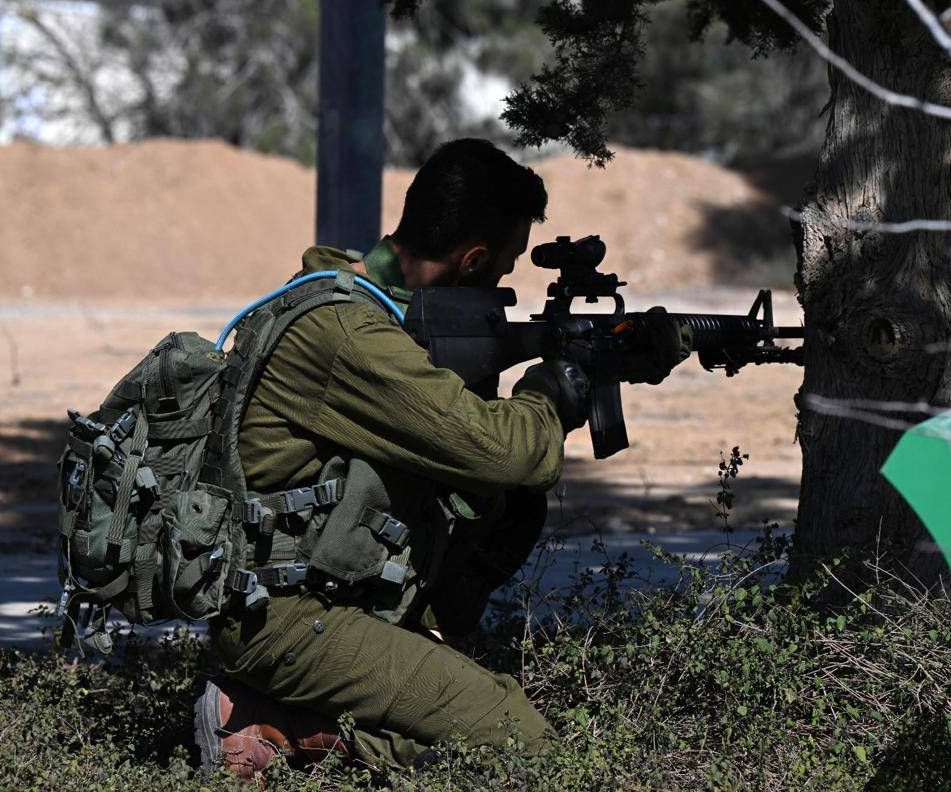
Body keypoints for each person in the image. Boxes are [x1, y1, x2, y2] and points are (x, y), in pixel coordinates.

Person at [193, 138, 690, 780]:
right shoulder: (348, 336)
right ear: (473, 259)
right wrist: (554, 386)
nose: (503, 289)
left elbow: (469, 445)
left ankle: (419, 657)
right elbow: (505, 454)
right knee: (519, 742)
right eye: (504, 270)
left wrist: (610, 357)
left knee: (511, 509)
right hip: (284, 617)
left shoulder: (370, 303)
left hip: (322, 595)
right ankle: (269, 724)